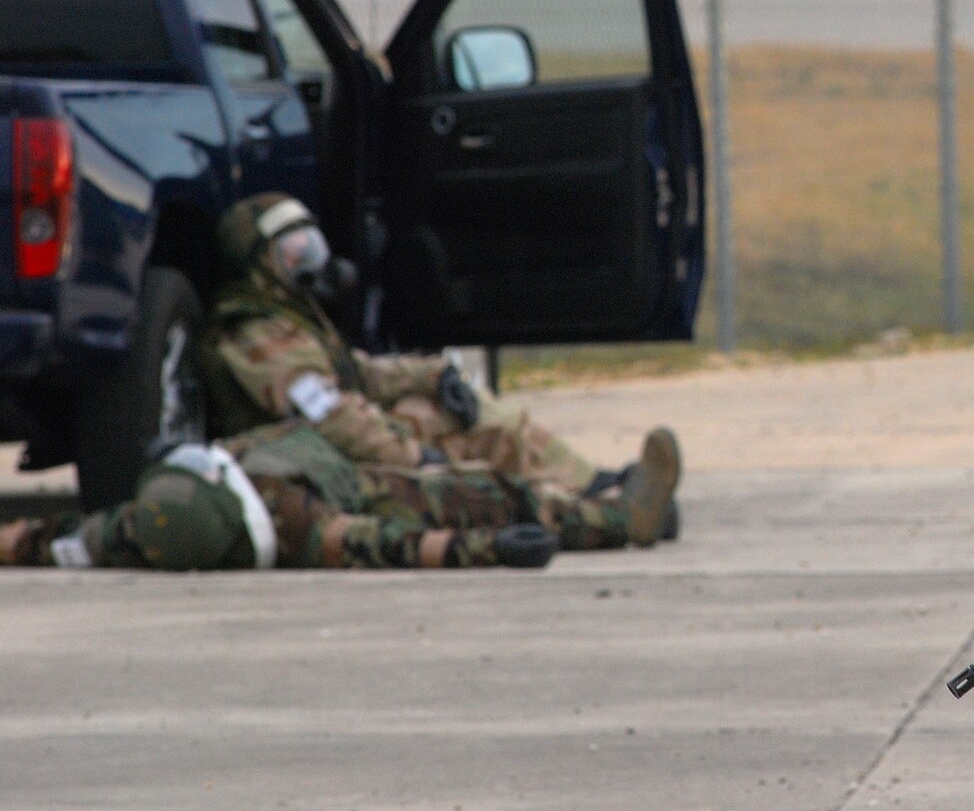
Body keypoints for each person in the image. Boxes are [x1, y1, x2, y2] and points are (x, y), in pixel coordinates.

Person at [198, 193, 678, 538]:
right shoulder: (255, 334)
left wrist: (434, 375)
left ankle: (592, 485)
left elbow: (357, 375)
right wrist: (411, 455)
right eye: (294, 250)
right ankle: (609, 517)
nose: (310, 259)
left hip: (347, 447)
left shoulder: (292, 318)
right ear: (260, 263)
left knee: (472, 412)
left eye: (309, 243)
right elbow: (330, 416)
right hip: (324, 468)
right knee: (468, 490)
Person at [0, 417, 680, 571]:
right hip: (366, 488)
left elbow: (46, 538)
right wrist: (492, 548)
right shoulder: (294, 520)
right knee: (495, 496)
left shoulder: (145, 524)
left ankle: (625, 503)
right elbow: (396, 543)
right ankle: (626, 517)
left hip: (337, 454)